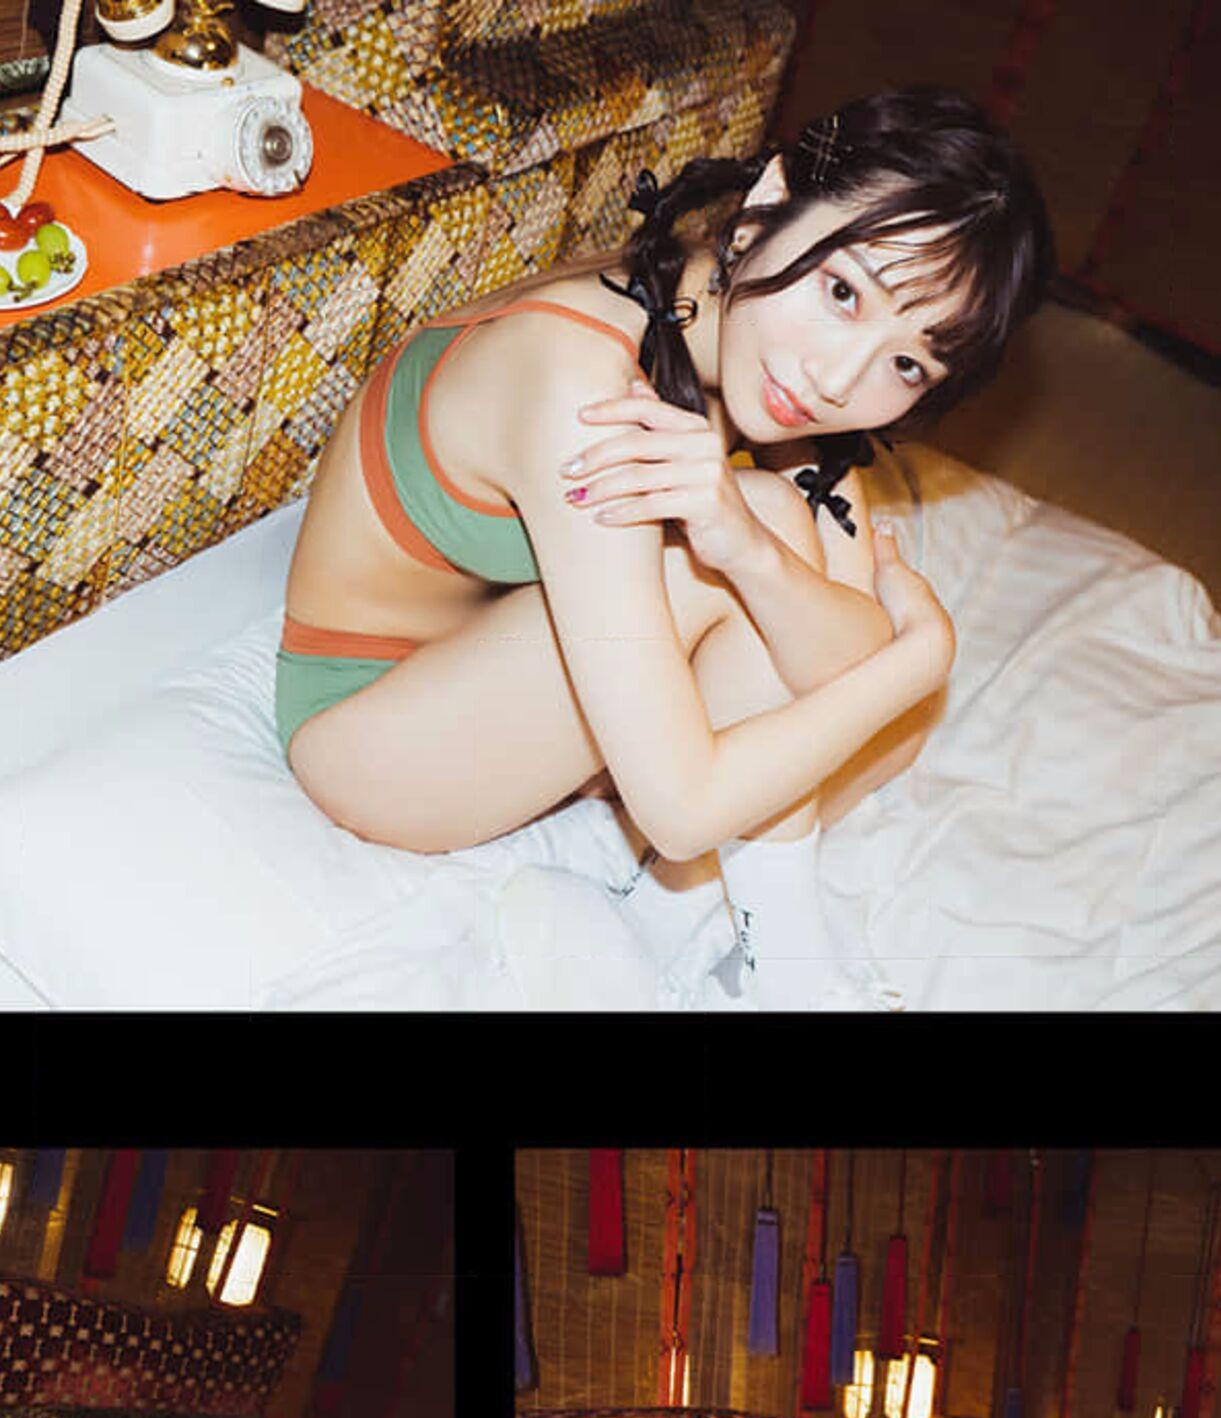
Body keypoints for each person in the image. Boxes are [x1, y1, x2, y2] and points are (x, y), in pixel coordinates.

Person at [277, 88, 1054, 1007]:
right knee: (787, 567)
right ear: (767, 205)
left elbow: (839, 669)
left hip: (525, 692)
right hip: (376, 737)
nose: (840, 378)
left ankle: (656, 914)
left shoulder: (761, 350)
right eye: (843, 292)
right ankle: (782, 963)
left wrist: (751, 553)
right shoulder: (582, 386)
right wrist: (921, 658)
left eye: (907, 363)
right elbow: (689, 807)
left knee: (868, 702)